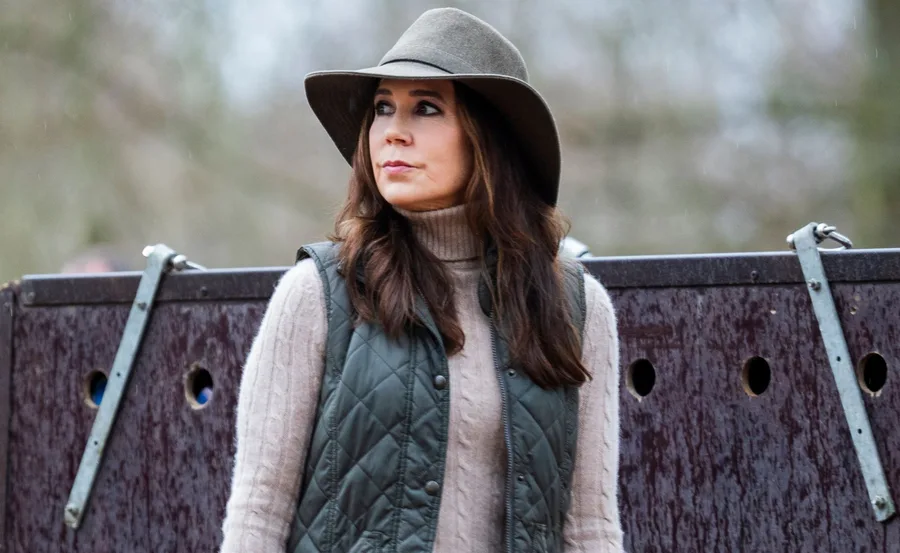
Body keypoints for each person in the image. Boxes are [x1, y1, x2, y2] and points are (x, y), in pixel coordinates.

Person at [219, 7, 623, 553]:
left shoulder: (576, 307)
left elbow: (591, 527)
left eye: (426, 108)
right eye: (383, 108)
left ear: (488, 140)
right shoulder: (320, 293)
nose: (393, 133)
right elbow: (258, 513)